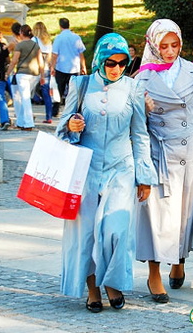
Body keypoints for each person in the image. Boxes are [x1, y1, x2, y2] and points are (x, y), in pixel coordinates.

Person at [57, 33, 157, 312]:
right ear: (100, 59)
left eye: (123, 62)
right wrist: (72, 126)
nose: (116, 68)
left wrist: (144, 176)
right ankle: (92, 288)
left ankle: (113, 282)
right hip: (85, 169)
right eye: (110, 62)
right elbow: (61, 126)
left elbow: (140, 134)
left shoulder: (133, 88)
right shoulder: (80, 83)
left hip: (121, 167)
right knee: (85, 232)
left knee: (117, 228)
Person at [134, 19, 193, 303]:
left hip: (190, 154)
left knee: (187, 212)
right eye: (163, 46)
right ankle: (154, 273)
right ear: (152, 44)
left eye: (174, 45)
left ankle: (179, 259)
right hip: (159, 152)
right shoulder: (141, 78)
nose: (169, 51)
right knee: (157, 216)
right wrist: (143, 107)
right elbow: (136, 124)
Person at [6, 24, 44, 131]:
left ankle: (28, 123)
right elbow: (41, 61)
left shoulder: (20, 45)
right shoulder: (36, 45)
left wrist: (7, 73)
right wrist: (42, 76)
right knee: (25, 97)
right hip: (34, 74)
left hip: (22, 73)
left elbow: (14, 61)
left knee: (25, 98)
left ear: (21, 33)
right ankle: (21, 121)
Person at [50, 17, 87, 117]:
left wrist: (52, 67)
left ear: (60, 26)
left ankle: (55, 110)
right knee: (73, 91)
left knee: (59, 90)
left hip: (61, 67)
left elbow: (55, 54)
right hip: (74, 67)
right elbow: (81, 54)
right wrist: (83, 66)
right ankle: (73, 110)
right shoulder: (76, 37)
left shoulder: (58, 38)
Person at [32, 21, 54, 124]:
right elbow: (50, 55)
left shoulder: (34, 40)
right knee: (46, 93)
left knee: (30, 91)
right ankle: (49, 116)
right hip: (46, 68)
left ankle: (29, 114)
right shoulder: (48, 41)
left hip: (35, 68)